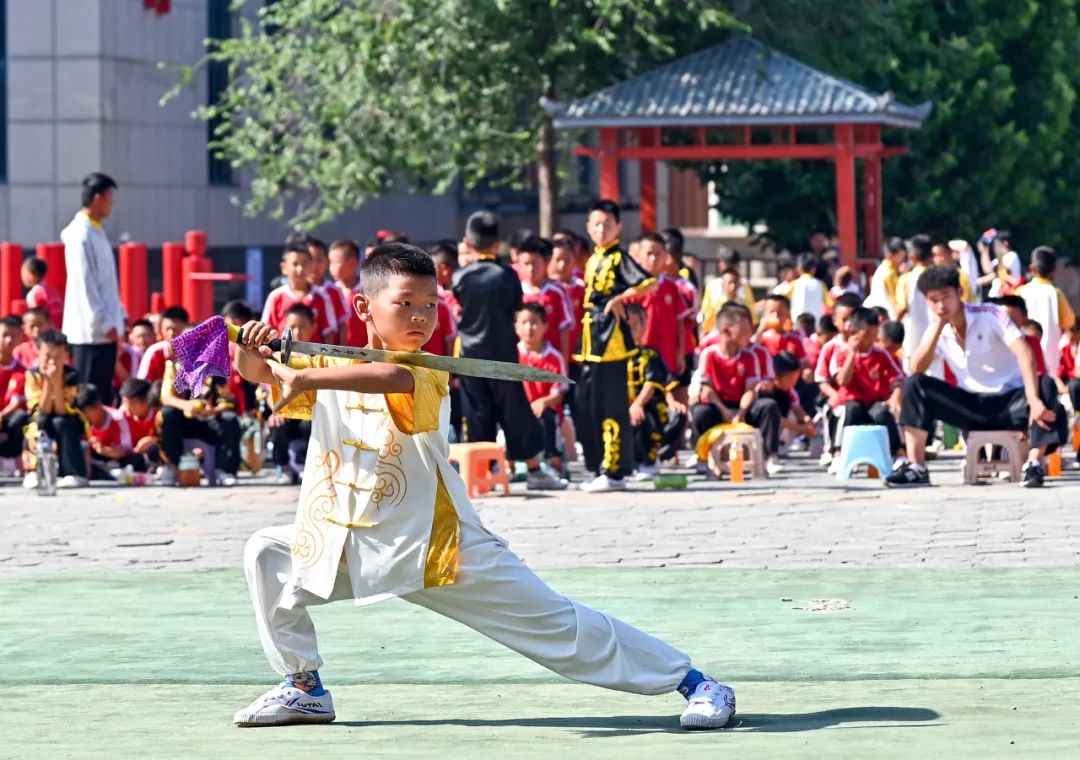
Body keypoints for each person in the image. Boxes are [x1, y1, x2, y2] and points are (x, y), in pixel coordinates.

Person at [230, 242, 735, 730]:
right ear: (363, 305)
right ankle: (305, 688)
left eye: (429, 304)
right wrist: (250, 350)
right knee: (267, 553)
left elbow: (388, 378)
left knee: (556, 626)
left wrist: (304, 379)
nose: (420, 317)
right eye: (404, 303)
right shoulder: (325, 363)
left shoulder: (427, 373)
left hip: (438, 548)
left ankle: (695, 682)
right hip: (351, 543)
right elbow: (259, 374)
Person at [886, 266, 1066, 488]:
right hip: (969, 406)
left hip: (1010, 403)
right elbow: (916, 367)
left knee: (1045, 385)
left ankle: (1034, 464)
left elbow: (1024, 352)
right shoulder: (936, 330)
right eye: (934, 300)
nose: (941, 305)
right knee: (916, 385)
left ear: (960, 293)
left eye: (946, 296)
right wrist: (938, 327)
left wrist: (1033, 399)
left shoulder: (990, 314)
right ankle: (917, 467)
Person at [451, 211, 562, 491]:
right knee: (516, 414)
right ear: (497, 242)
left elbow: (461, 310)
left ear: (469, 242)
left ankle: (482, 475)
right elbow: (515, 307)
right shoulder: (507, 275)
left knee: (477, 416)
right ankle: (534, 470)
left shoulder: (461, 277)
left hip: (470, 359)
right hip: (502, 356)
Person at [574, 200, 658, 492]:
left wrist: (621, 299)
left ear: (618, 227)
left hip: (611, 340)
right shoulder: (593, 257)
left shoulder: (619, 258)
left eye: (607, 224)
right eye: (596, 224)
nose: (600, 229)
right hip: (591, 338)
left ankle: (615, 471)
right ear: (588, 227)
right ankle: (600, 467)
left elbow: (649, 283)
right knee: (589, 405)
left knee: (612, 406)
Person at [691, 303, 781, 470]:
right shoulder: (709, 354)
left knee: (769, 407)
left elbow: (750, 389)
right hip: (718, 405)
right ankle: (701, 457)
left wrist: (741, 412)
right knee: (700, 412)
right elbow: (707, 389)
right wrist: (724, 410)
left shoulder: (750, 356)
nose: (749, 334)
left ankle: (770, 456)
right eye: (745, 330)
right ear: (726, 330)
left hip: (743, 405)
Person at [61, 172, 126, 406]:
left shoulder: (96, 231)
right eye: (110, 197)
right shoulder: (80, 234)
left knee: (101, 396)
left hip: (104, 331)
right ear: (98, 198)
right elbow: (85, 284)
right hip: (90, 332)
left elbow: (107, 285)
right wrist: (105, 322)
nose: (111, 203)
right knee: (87, 397)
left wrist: (118, 318)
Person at [158, 325, 243, 488]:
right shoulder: (174, 367)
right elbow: (166, 397)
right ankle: (172, 464)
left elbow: (228, 400)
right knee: (167, 414)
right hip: (184, 420)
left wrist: (213, 410)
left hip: (208, 421)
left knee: (229, 419)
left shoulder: (218, 369)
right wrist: (186, 405)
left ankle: (224, 469)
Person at [825, 307, 905, 457]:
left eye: (874, 335)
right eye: (867, 335)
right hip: (850, 402)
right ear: (853, 333)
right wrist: (852, 354)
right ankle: (838, 452)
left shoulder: (881, 354)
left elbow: (898, 378)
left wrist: (895, 395)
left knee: (883, 412)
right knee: (850, 411)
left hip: (873, 402)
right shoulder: (841, 353)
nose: (871, 340)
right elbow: (842, 380)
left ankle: (898, 452)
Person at [624, 303, 686, 478]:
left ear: (644, 325)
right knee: (636, 418)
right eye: (627, 326)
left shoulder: (650, 354)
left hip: (647, 404)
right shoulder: (617, 355)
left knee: (676, 415)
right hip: (623, 406)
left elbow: (656, 382)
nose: (631, 330)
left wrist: (672, 402)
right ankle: (640, 461)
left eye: (635, 325)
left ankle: (653, 459)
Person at [22, 330, 88, 489]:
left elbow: (61, 410)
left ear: (66, 354)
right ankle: (33, 471)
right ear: (38, 352)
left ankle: (72, 472)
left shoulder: (71, 375)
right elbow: (41, 409)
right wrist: (47, 381)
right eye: (47, 356)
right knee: (38, 422)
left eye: (58, 356)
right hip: (41, 417)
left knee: (62, 422)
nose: (52, 361)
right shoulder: (32, 375)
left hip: (66, 416)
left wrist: (56, 379)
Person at [515, 303, 569, 476]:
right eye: (524, 322)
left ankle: (554, 463)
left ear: (545, 326)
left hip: (546, 409)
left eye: (534, 322)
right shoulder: (512, 354)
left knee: (548, 418)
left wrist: (542, 402)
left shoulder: (554, 357)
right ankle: (510, 465)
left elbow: (559, 392)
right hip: (520, 408)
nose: (529, 328)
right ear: (516, 326)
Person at [267, 305, 318, 485]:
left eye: (302, 326)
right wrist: (275, 410)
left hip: (310, 411)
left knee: (310, 423)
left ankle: (308, 465)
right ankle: (284, 467)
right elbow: (268, 390)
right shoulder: (276, 357)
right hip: (286, 411)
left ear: (313, 328)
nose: (297, 332)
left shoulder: (318, 357)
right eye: (292, 327)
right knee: (277, 422)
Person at [632, 232, 687, 382]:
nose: (653, 258)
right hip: (640, 356)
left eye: (658, 253)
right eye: (649, 253)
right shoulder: (632, 288)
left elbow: (680, 322)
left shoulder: (672, 287)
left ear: (665, 256)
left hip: (666, 353)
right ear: (639, 256)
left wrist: (680, 352)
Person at [1017, 246, 1076, 378]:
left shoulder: (1020, 292)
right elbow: (1069, 322)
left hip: (1025, 356)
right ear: (1054, 270)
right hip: (1050, 359)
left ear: (1032, 268)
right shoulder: (1055, 294)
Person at [518, 236, 574, 361]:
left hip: (551, 361)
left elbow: (564, 328)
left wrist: (564, 361)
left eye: (535, 264)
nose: (531, 269)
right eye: (527, 264)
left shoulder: (557, 293)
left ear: (546, 262)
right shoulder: (516, 292)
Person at [261, 242, 333, 339]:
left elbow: (329, 333)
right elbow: (266, 329)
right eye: (295, 264)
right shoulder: (275, 297)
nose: (300, 269)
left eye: (305, 263)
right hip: (282, 353)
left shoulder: (322, 297)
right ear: (284, 267)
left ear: (312, 266)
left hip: (314, 354)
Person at [76, 383, 144, 480]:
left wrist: (103, 450)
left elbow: (126, 450)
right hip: (93, 460)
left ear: (98, 406)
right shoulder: (80, 419)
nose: (85, 417)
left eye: (87, 412)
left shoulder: (118, 418)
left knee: (133, 459)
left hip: (116, 458)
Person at [895, 234, 935, 374]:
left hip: (913, 338)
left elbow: (902, 308)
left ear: (912, 256)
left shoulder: (906, 280)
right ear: (932, 254)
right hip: (937, 337)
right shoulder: (939, 277)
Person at [327, 239, 368, 347]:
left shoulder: (367, 290)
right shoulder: (330, 292)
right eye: (329, 262)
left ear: (352, 263)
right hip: (338, 356)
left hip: (365, 352)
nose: (331, 267)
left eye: (335, 262)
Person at [0, 316, 29, 465]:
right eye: (5, 335)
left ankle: (12, 459)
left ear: (20, 338)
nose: (8, 340)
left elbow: (17, 402)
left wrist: (1, 415)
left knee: (21, 416)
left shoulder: (23, 371)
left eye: (13, 336)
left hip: (7, 419)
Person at [138, 306, 191, 384]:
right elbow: (142, 383)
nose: (171, 333)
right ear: (161, 329)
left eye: (175, 329)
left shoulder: (193, 353)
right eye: (167, 329)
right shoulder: (154, 351)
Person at [117, 377, 158, 470]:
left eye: (131, 404)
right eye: (125, 403)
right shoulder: (122, 415)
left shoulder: (158, 413)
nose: (127, 408)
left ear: (146, 402)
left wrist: (154, 440)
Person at [699, 266, 752, 333]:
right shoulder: (715, 304)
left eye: (735, 282)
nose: (733, 286)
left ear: (740, 284)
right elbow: (706, 326)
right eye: (730, 282)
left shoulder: (745, 304)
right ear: (723, 285)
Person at [863, 237, 906, 319]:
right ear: (890, 256)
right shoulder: (889, 273)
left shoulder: (883, 268)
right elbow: (897, 300)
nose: (903, 259)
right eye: (900, 256)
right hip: (888, 314)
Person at [786, 252, 832, 321]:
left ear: (799, 268)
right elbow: (830, 303)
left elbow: (779, 297)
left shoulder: (794, 284)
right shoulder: (820, 284)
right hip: (815, 324)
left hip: (797, 323)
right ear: (814, 269)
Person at [21, 257, 64, 329]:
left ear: (30, 274)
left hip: (45, 334)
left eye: (23, 272)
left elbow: (35, 320)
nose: (22, 277)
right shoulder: (53, 290)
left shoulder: (34, 294)